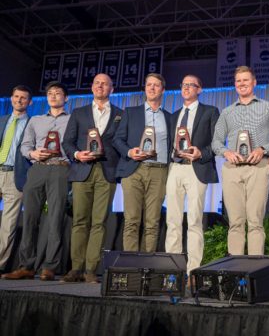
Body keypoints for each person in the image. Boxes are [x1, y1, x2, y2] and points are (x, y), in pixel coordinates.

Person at [2, 81, 70, 281]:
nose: (53, 96)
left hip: (60, 168)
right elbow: (25, 146)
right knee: (30, 218)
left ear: (65, 98)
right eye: (50, 93)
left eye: (58, 93)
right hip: (37, 169)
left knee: (56, 218)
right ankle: (26, 266)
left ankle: (50, 266)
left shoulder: (73, 120)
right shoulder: (36, 120)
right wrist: (33, 153)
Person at [61, 74, 123, 283]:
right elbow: (67, 142)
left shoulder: (120, 115)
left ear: (111, 89)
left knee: (99, 222)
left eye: (105, 83)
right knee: (79, 220)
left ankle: (90, 270)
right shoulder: (78, 113)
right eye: (97, 83)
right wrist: (78, 154)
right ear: (92, 87)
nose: (101, 86)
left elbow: (121, 143)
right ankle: (76, 268)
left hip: (107, 171)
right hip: (82, 170)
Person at [211, 66, 269, 255]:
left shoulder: (268, 107)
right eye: (238, 81)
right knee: (235, 222)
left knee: (255, 222)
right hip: (232, 169)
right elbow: (216, 141)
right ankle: (236, 272)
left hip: (258, 167)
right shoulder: (227, 112)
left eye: (246, 80)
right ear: (235, 85)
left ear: (254, 82)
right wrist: (226, 152)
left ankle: (254, 271)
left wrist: (263, 149)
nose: (242, 84)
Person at [165, 75, 219, 277]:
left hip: (197, 168)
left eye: (191, 85)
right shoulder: (174, 115)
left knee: (195, 221)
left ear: (200, 89)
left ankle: (193, 270)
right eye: (184, 84)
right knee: (172, 220)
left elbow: (216, 142)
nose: (187, 88)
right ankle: (173, 270)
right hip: (175, 168)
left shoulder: (210, 112)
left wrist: (201, 153)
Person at [113, 73, 171, 252]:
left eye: (156, 85)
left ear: (162, 90)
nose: (152, 88)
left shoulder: (169, 117)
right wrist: (130, 152)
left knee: (152, 222)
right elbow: (117, 139)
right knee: (131, 220)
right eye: (149, 85)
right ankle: (131, 266)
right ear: (145, 89)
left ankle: (148, 265)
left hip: (159, 171)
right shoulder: (130, 112)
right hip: (134, 169)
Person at [0, 85, 32, 274]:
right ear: (11, 98)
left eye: (23, 98)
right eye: (16, 97)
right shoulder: (2, 120)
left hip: (16, 176)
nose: (19, 100)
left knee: (8, 225)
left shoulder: (33, 124)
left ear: (29, 102)